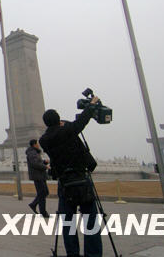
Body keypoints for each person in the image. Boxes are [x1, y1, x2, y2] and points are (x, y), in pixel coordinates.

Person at [39, 99, 102, 257]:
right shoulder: (68, 131)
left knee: (68, 223)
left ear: (46, 124)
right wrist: (92, 104)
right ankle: (93, 254)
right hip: (81, 179)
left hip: (65, 183)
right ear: (58, 120)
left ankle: (72, 253)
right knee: (90, 220)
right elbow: (81, 121)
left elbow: (58, 136)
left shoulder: (43, 140)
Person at [26, 139, 50, 217]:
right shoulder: (32, 153)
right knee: (42, 193)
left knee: (44, 192)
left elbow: (37, 161)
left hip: (41, 175)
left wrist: (44, 162)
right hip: (37, 176)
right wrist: (45, 166)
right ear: (34, 144)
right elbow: (35, 164)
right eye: (37, 144)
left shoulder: (35, 152)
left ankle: (33, 204)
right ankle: (43, 212)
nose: (38, 145)